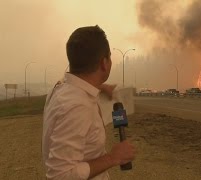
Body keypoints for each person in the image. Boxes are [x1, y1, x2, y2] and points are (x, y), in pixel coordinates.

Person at [42, 25, 136, 180]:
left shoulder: (60, 88)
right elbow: (60, 175)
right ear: (104, 63)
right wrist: (113, 157)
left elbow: (72, 79)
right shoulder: (77, 107)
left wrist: (99, 85)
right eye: (110, 57)